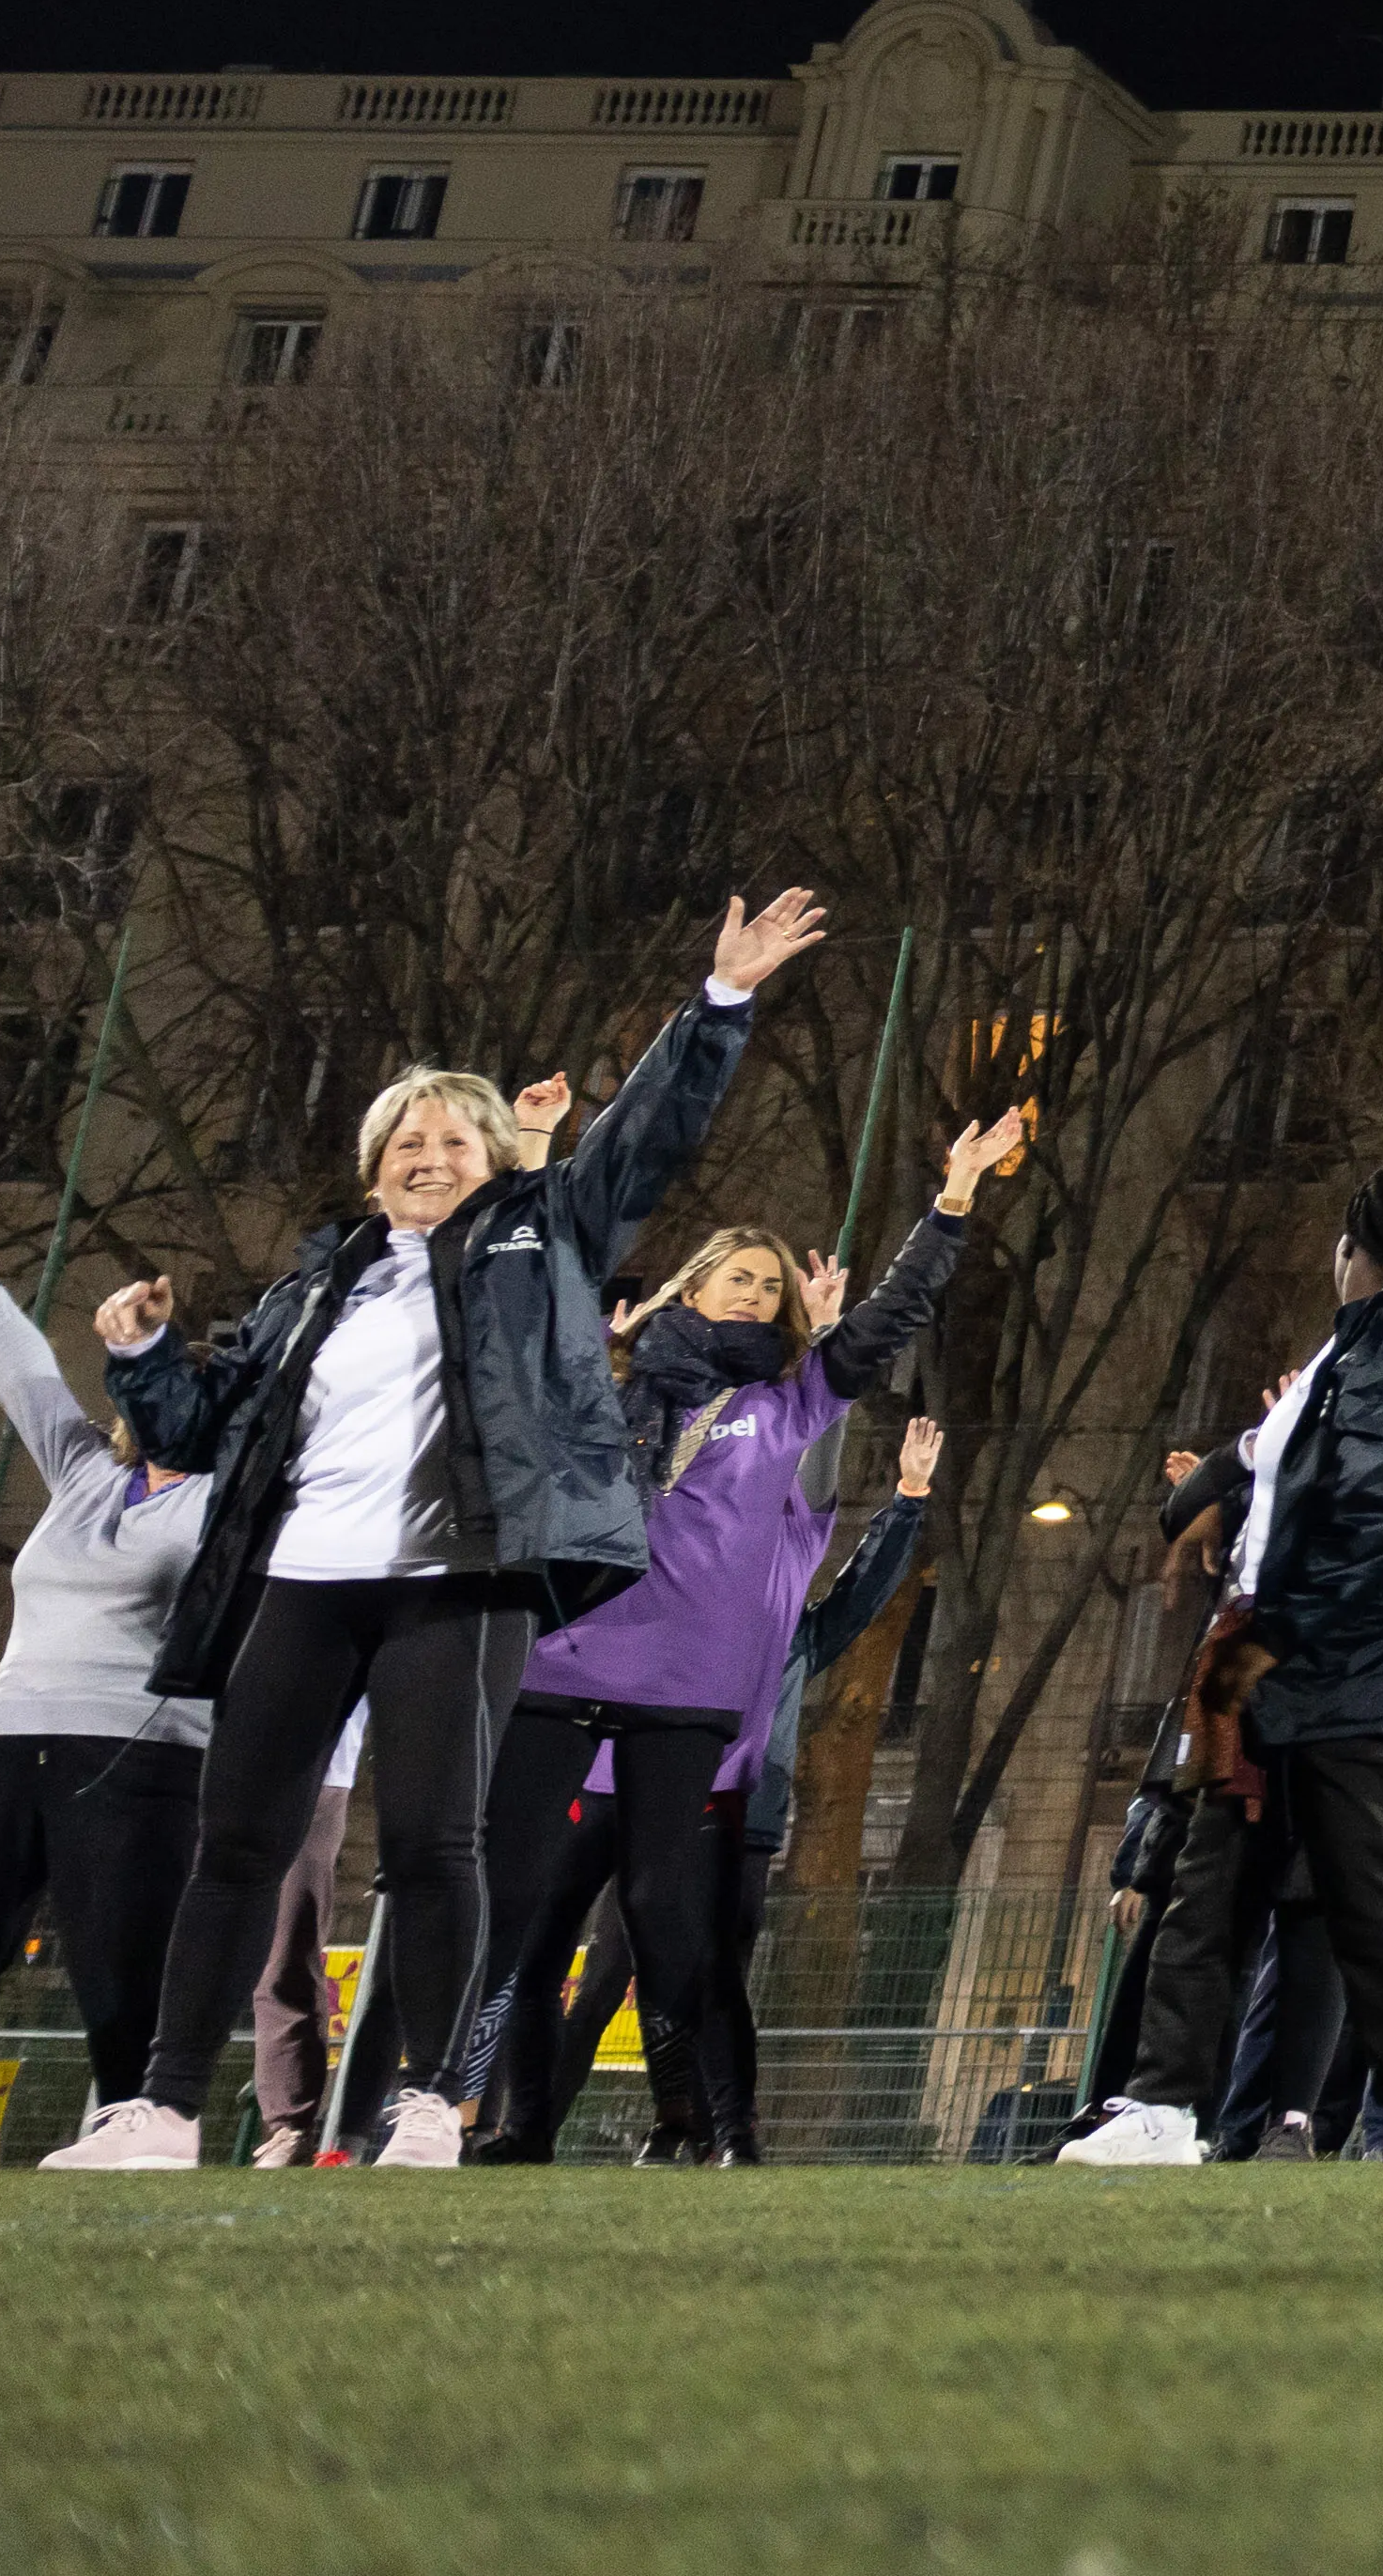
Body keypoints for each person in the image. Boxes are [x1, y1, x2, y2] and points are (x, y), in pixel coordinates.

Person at [62, 888, 827, 2172]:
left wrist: (721, 1006)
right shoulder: (315, 1283)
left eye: (456, 1142)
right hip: (302, 1584)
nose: (430, 1155)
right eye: (407, 1141)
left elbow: (646, 1142)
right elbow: (204, 1434)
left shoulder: (539, 1240)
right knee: (236, 1844)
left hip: (456, 1581)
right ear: (375, 1167)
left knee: (433, 1843)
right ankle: (164, 2110)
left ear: (493, 1164)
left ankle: (428, 2102)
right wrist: (140, 1357)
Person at [466, 1099, 1022, 2160]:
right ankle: (515, 2126)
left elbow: (892, 1315)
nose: (759, 1296)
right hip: (570, 1659)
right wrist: (535, 1161)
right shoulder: (620, 1374)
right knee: (533, 1929)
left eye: (772, 1288)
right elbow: (529, 1317)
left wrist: (953, 1197)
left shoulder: (793, 1398)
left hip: (685, 1692)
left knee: (669, 1920)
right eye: (742, 1278)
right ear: (692, 1285)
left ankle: (712, 2125)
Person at [1061, 1166, 1383, 2166]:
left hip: (1330, 1668)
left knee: (1361, 1896)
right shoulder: (1374, 1351)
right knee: (1216, 1884)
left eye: (1345, 1239)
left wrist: (1275, 1635)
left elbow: (1372, 1521)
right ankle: (1166, 2106)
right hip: (1291, 1658)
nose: (1333, 1257)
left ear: (1368, 1251)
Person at [0, 1261, 218, 2141]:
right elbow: (25, 1371)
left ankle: (132, 2135)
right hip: (5, 1740)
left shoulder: (230, 1502)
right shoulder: (82, 1471)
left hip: (139, 1752)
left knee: (119, 1972)